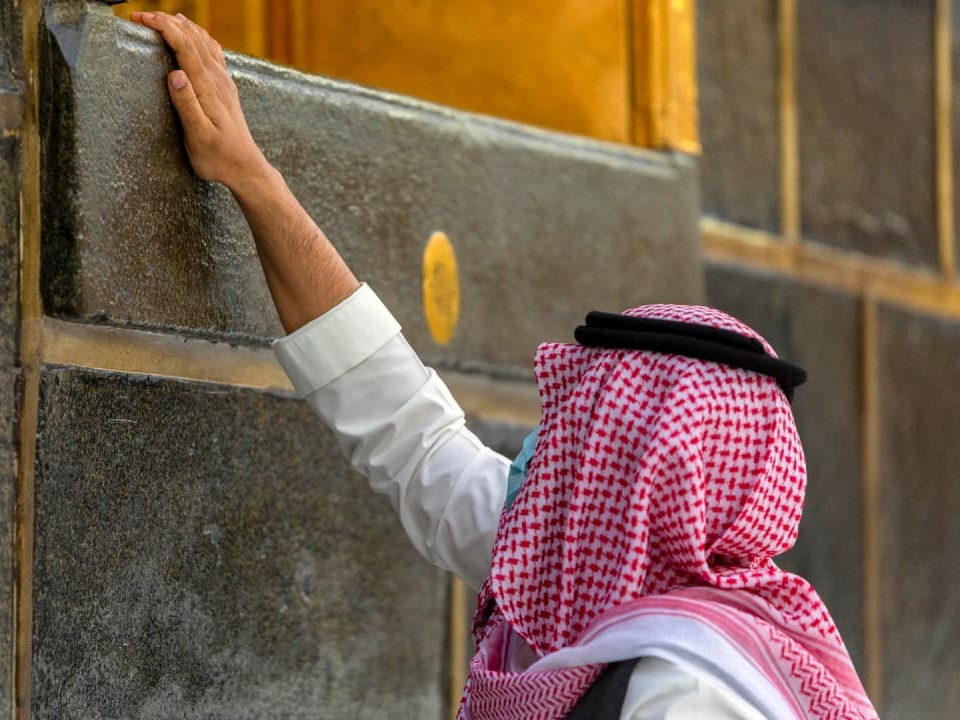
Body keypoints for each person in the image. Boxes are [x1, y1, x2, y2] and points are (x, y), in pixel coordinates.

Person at [129, 12, 879, 720]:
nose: (544, 446)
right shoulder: (572, 558)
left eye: (578, 425)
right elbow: (408, 436)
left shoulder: (691, 683)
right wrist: (252, 180)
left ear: (630, 464)